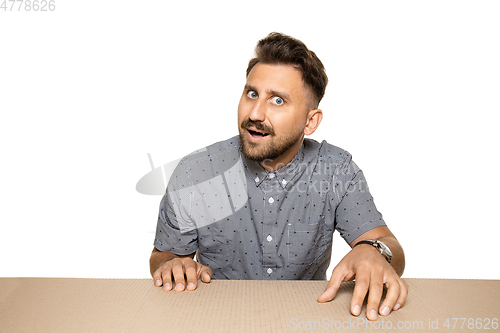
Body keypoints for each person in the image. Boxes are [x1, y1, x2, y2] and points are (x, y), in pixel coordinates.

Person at [150, 32, 407, 321]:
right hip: (216, 318)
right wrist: (172, 265)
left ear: (311, 122)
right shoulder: (196, 171)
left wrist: (374, 252)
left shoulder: (336, 170)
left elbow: (390, 246)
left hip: (306, 319)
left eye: (278, 100)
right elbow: (163, 255)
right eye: (252, 94)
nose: (256, 113)